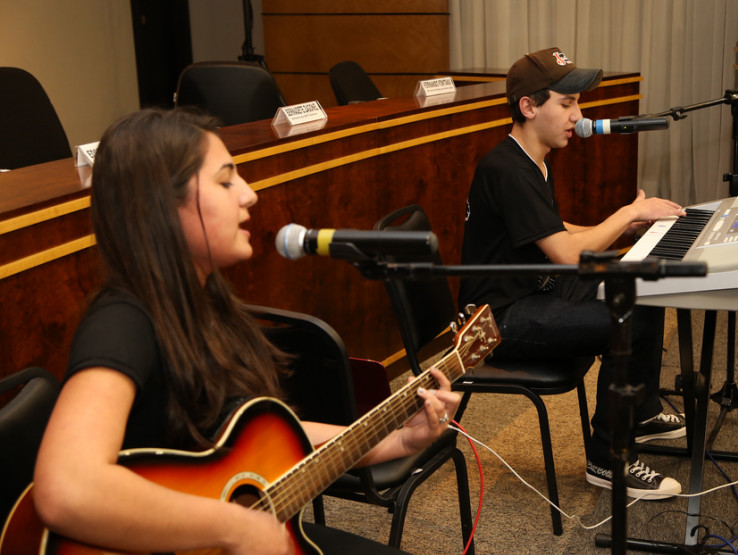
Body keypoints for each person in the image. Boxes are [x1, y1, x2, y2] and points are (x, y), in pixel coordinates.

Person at [31, 108, 460, 554]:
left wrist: (397, 439)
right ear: (161, 205)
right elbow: (67, 488)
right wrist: (233, 528)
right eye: (224, 181)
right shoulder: (123, 320)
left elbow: (267, 444)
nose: (249, 195)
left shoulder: (207, 302)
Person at [459, 47, 687, 500]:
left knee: (640, 278)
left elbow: (552, 231)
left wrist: (624, 228)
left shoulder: (533, 158)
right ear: (528, 107)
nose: (577, 116)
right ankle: (609, 458)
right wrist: (625, 215)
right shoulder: (507, 169)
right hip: (501, 319)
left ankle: (639, 411)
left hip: (539, 291)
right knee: (629, 319)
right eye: (566, 104)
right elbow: (564, 253)